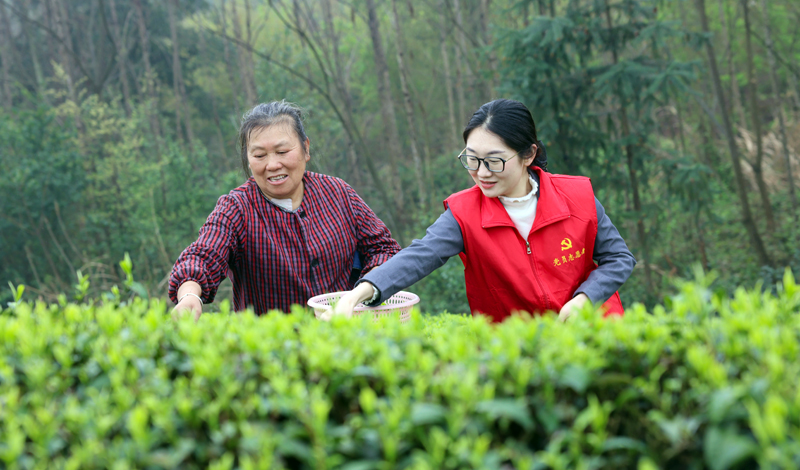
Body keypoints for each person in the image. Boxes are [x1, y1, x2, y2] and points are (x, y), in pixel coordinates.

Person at [329, 99, 635, 322]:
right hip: (521, 349)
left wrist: (585, 299)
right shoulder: (464, 213)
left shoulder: (577, 196)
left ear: (528, 154)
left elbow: (619, 258)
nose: (482, 173)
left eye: (494, 161)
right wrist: (359, 293)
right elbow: (419, 256)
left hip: (593, 330)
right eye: (472, 159)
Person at [169, 101, 401, 320]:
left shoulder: (338, 193)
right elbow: (203, 255)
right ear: (248, 160)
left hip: (342, 335)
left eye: (282, 152)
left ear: (305, 149)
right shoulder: (237, 208)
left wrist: (360, 294)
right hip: (272, 344)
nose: (272, 165)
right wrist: (190, 296)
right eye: (259, 155)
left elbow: (384, 249)